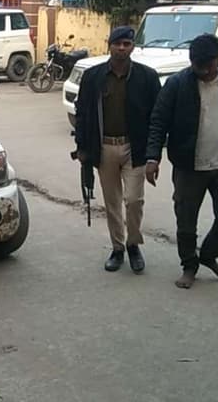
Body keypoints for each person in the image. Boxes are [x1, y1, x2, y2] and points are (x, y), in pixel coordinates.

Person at [145, 34, 218, 289]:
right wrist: (153, 157)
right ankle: (189, 265)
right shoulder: (177, 83)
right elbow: (158, 121)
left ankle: (209, 255)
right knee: (186, 221)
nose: (201, 71)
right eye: (196, 65)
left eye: (207, 66)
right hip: (188, 167)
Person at [73, 26, 161, 273]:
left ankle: (133, 245)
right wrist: (82, 147)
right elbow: (82, 114)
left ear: (132, 47)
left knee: (134, 200)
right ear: (109, 45)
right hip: (104, 148)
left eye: (126, 44)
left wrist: (154, 153)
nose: (122, 48)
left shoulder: (147, 77)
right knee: (112, 202)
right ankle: (118, 248)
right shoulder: (93, 77)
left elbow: (157, 116)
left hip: (135, 148)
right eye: (117, 44)